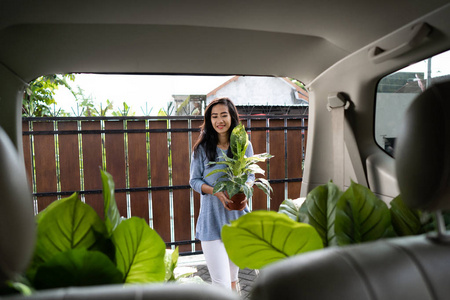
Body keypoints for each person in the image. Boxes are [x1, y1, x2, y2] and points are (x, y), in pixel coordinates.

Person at [189, 97, 254, 290]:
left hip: (237, 221)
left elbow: (250, 175)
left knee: (233, 280)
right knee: (221, 283)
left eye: (223, 115)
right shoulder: (202, 149)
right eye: (214, 116)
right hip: (211, 223)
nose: (219, 120)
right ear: (209, 121)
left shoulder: (243, 145)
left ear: (231, 117)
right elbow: (194, 181)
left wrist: (245, 190)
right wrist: (216, 192)